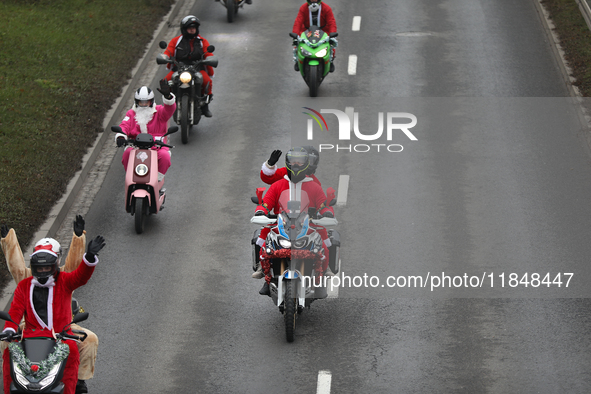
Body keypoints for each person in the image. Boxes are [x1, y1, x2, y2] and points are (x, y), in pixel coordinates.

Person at [1, 216, 98, 394]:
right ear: (34, 266)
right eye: (39, 268)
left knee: (77, 348)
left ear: (55, 264)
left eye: (47, 268)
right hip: (31, 332)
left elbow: (80, 275)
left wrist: (89, 257)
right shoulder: (25, 284)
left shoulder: (65, 280)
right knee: (9, 350)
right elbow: (15, 310)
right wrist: (9, 329)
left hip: (62, 332)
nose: (43, 271)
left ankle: (76, 384)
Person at [254, 147, 334, 295]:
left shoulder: (314, 185)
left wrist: (326, 212)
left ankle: (322, 273)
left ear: (306, 163)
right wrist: (261, 211)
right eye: (293, 161)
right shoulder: (278, 184)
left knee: (324, 244)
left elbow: (323, 204)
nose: (296, 164)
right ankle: (266, 275)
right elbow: (266, 203)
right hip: (281, 223)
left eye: (300, 161)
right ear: (287, 162)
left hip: (306, 224)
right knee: (263, 242)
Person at [115, 81, 176, 183]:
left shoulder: (159, 111)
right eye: (141, 102)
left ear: (151, 101)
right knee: (127, 154)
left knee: (165, 157)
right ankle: (130, 178)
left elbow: (170, 109)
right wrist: (121, 136)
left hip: (157, 147)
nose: (143, 105)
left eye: (146, 102)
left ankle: (157, 180)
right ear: (136, 102)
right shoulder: (131, 113)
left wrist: (168, 97)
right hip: (136, 146)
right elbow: (124, 125)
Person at [162, 15, 215, 118]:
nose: (192, 30)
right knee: (165, 82)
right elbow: (168, 51)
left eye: (194, 28)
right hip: (179, 68)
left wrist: (210, 59)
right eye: (190, 28)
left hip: (197, 68)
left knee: (207, 81)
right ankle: (169, 104)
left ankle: (205, 106)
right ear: (184, 29)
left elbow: (208, 53)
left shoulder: (202, 41)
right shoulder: (176, 41)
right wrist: (164, 57)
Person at [292, 0, 338, 72]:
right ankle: (297, 60)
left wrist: (332, 33)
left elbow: (331, 22)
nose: (313, 1)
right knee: (297, 43)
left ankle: (331, 61)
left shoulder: (326, 8)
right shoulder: (303, 8)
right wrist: (295, 34)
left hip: (323, 31)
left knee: (331, 43)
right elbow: (298, 21)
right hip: (306, 31)